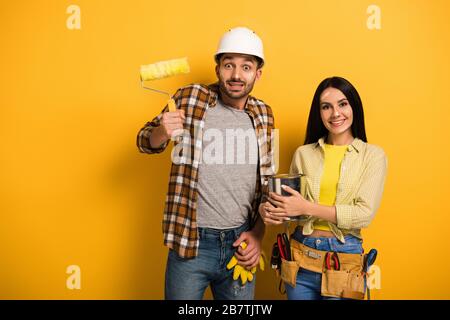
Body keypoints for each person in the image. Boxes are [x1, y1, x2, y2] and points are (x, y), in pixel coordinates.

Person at [137, 27, 275, 300]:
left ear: (257, 73)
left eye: (246, 67)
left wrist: (258, 235)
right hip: (191, 242)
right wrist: (162, 132)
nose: (236, 75)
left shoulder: (264, 114)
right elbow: (144, 141)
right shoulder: (189, 98)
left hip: (241, 243)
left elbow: (266, 185)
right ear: (217, 69)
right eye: (229, 65)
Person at [260, 76, 387, 300]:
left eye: (342, 104)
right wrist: (272, 212)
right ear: (319, 113)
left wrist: (307, 207)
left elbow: (363, 215)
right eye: (326, 107)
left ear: (354, 107)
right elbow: (293, 211)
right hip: (300, 255)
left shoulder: (373, 156)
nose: (335, 113)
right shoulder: (304, 154)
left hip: (345, 259)